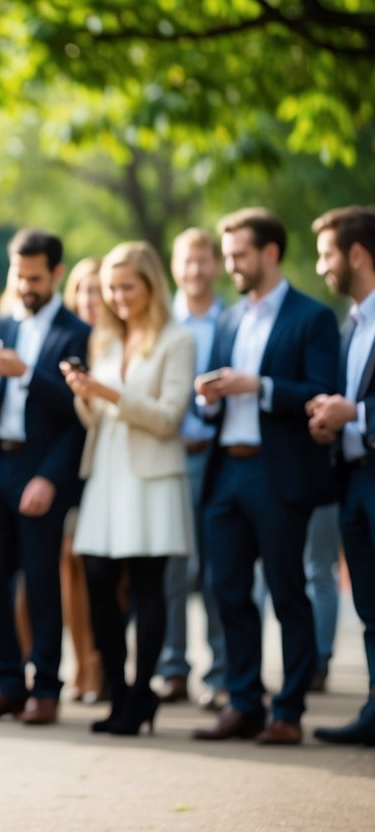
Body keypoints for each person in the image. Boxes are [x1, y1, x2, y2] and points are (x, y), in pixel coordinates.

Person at [191, 208, 338, 746]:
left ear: (270, 252)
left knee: (286, 591)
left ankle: (289, 711)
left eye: (239, 255)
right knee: (226, 589)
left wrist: (262, 386)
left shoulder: (312, 317)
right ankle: (244, 702)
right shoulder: (228, 318)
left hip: (279, 474)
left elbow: (323, 390)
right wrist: (206, 397)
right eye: (227, 254)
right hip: (226, 469)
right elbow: (216, 396)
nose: (229, 265)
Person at [63, 241, 196, 736]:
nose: (117, 297)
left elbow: (168, 419)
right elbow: (95, 418)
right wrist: (85, 395)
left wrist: (110, 393)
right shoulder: (104, 340)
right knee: (96, 577)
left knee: (147, 585)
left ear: (150, 286)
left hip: (151, 475)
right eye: (110, 288)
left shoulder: (175, 340)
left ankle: (143, 696)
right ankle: (117, 691)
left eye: (126, 287)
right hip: (107, 471)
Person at [0, 228, 89, 726]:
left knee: (40, 581)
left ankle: (47, 688)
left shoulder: (78, 332)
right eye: (18, 275)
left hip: (41, 469)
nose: (24, 285)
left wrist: (52, 479)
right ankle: (7, 684)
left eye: (34, 277)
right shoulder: (0, 327)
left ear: (56, 273)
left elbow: (77, 412)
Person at [306, 205, 375, 745]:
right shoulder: (351, 325)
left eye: (327, 253)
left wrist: (357, 414)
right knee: (370, 606)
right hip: (352, 480)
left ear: (356, 253)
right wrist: (332, 420)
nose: (320, 265)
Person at [157, 228, 229, 710]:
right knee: (171, 569)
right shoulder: (162, 324)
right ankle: (173, 667)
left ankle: (223, 672)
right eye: (186, 261)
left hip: (220, 456)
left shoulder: (234, 321)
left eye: (204, 261)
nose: (195, 270)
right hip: (170, 454)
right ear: (174, 265)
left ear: (216, 265)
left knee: (221, 568)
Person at [55, 257, 106, 705]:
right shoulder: (68, 339)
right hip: (68, 465)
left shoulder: (114, 341)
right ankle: (82, 662)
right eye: (82, 290)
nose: (90, 299)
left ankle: (104, 661)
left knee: (109, 569)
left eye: (98, 289)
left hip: (107, 463)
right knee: (70, 560)